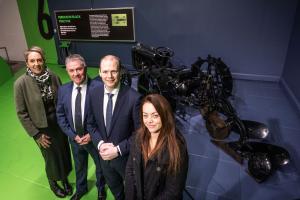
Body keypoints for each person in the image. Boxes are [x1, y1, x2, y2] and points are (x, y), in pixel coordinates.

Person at [14, 46, 72, 198]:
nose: (36, 64)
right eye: (32, 61)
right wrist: (36, 134)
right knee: (51, 157)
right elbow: (21, 113)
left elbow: (62, 100)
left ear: (43, 60)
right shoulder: (20, 84)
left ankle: (65, 178)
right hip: (41, 128)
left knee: (64, 152)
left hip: (58, 123)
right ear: (27, 63)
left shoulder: (52, 76)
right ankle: (53, 183)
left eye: (39, 60)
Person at [87, 55, 141, 200]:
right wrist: (100, 144)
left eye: (113, 71)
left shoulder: (134, 98)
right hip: (103, 157)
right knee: (116, 190)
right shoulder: (93, 93)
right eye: (105, 72)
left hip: (126, 159)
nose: (109, 76)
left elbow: (140, 133)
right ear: (99, 72)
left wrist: (117, 150)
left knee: (133, 192)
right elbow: (90, 124)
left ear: (120, 72)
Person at [56, 54, 106, 200]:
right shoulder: (63, 90)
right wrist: (73, 136)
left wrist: (92, 135)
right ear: (67, 71)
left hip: (94, 138)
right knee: (79, 165)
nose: (76, 74)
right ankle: (81, 189)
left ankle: (101, 189)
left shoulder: (99, 88)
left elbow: (104, 117)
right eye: (71, 70)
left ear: (84, 68)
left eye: (79, 69)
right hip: (75, 138)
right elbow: (61, 116)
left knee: (100, 166)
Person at [125, 94, 189, 200]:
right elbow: (130, 169)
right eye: (145, 115)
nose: (149, 120)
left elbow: (173, 191)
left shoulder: (177, 147)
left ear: (164, 115)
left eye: (155, 115)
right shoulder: (138, 136)